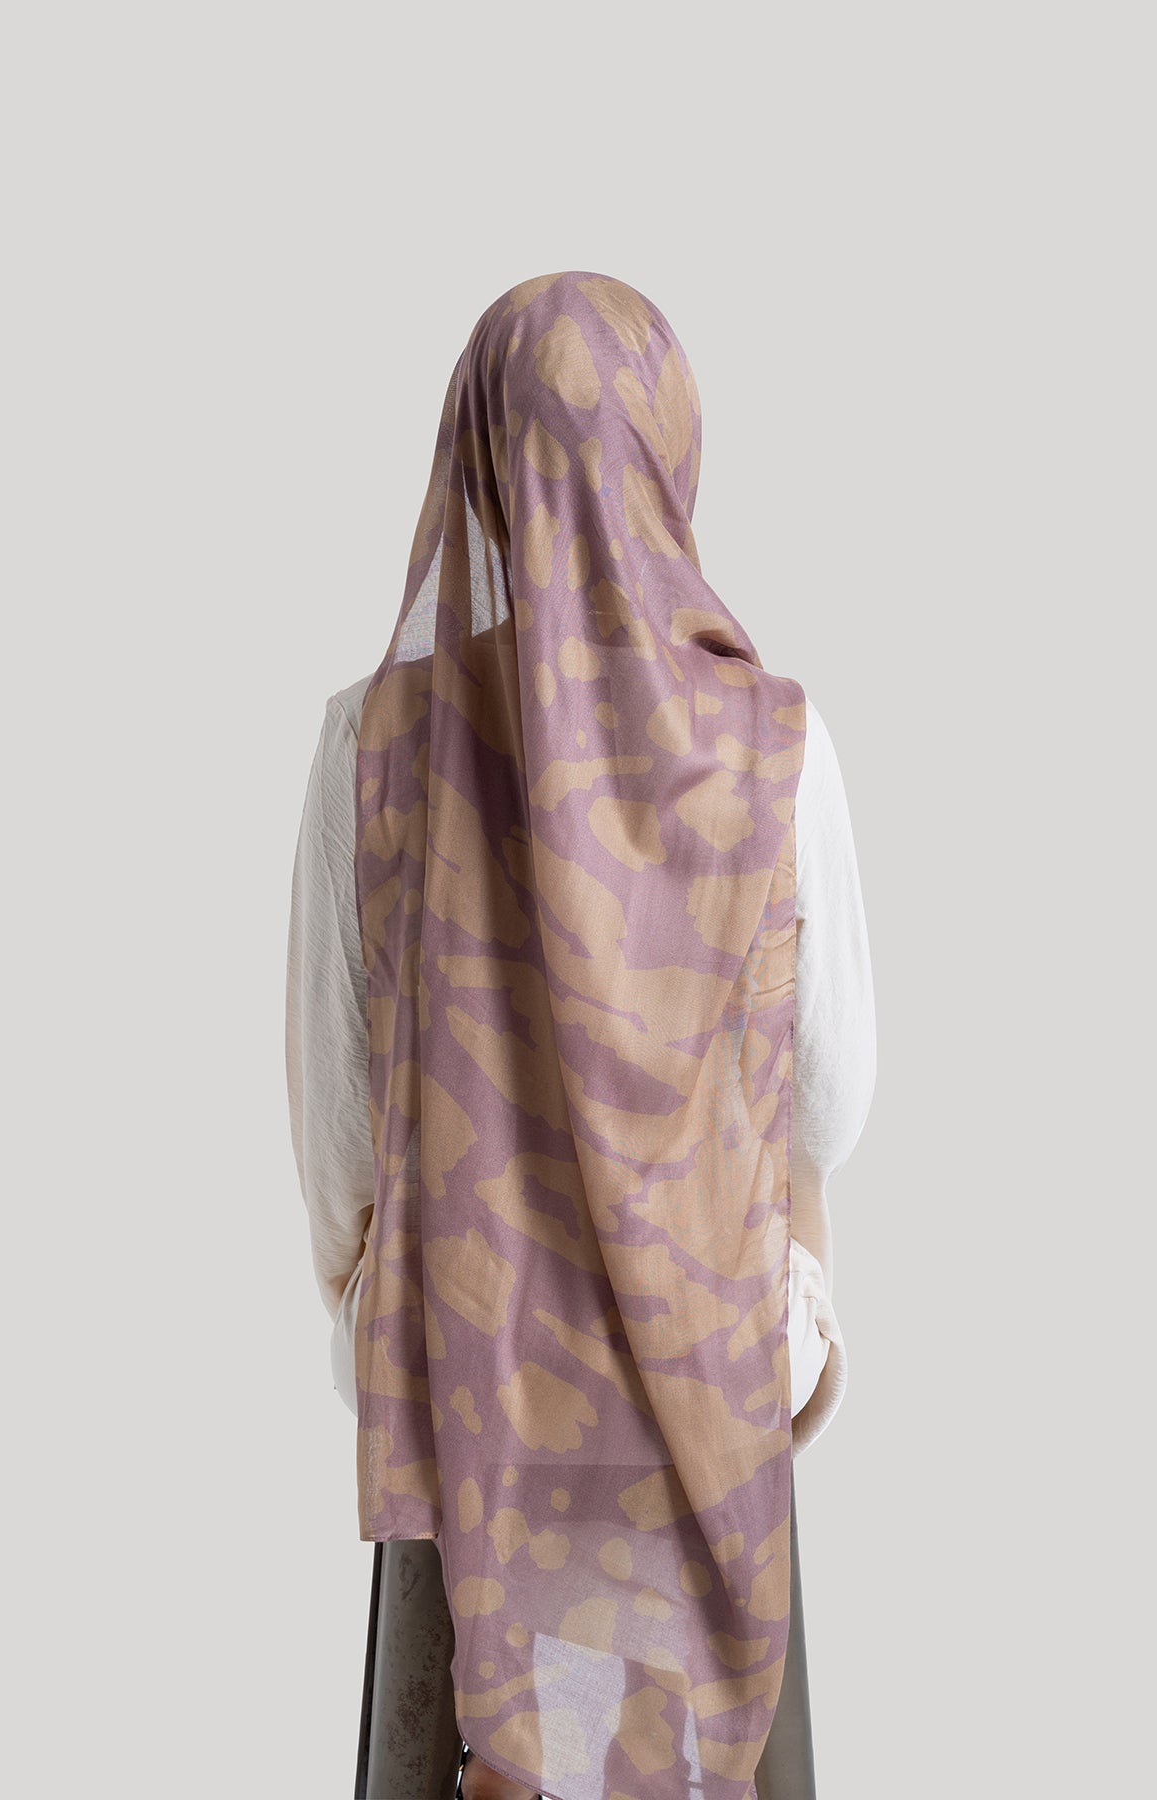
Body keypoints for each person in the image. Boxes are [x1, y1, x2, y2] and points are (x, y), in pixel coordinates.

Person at [286, 271, 875, 1800]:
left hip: (463, 1421)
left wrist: (433, 1303)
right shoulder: (780, 749)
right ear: (673, 454)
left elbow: (343, 1151)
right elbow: (830, 1104)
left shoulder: (369, 744)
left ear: (471, 464)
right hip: (715, 1419)